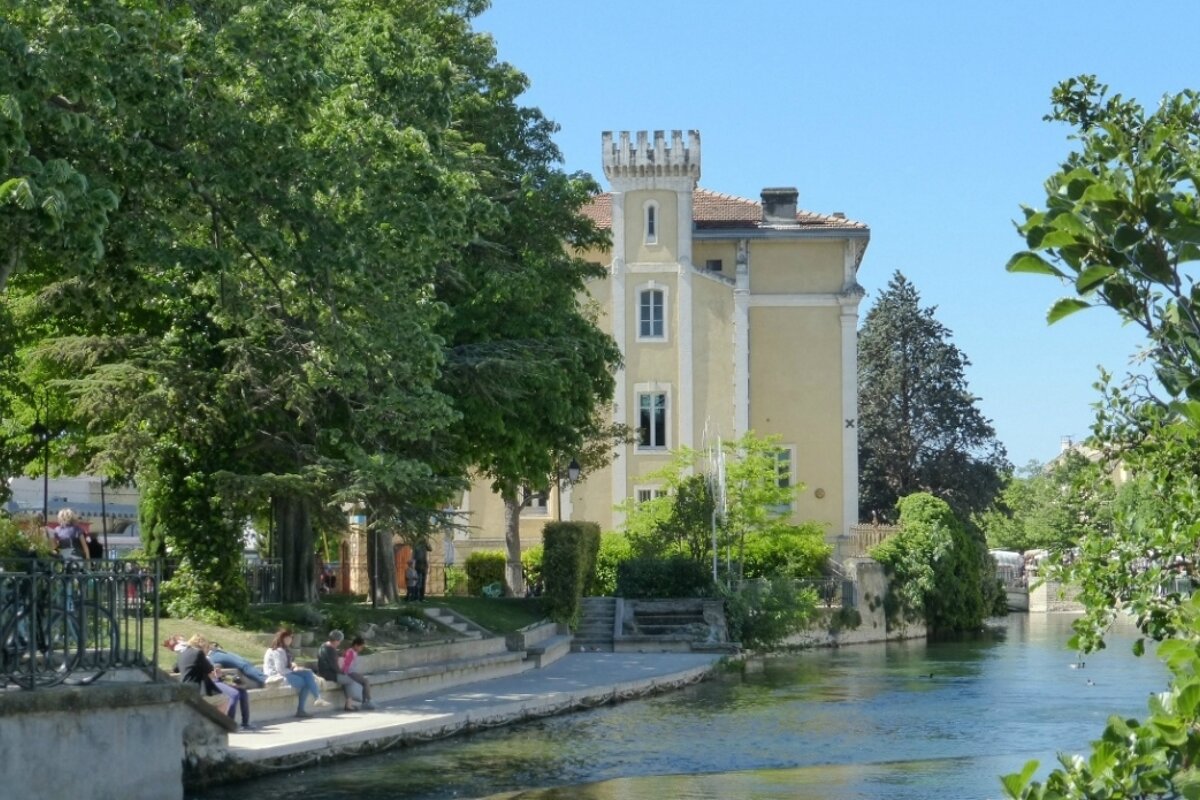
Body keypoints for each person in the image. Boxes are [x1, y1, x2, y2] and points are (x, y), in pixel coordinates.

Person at [178, 634, 253, 730]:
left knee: (242, 691)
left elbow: (175, 668)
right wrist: (215, 672)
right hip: (200, 688)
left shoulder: (183, 653)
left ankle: (244, 723)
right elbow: (211, 674)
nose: (208, 649)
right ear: (202, 646)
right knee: (226, 699)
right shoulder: (199, 654)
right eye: (207, 647)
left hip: (188, 688)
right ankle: (221, 727)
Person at [263, 628, 330, 718]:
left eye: (291, 638)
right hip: (276, 676)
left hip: (285, 673)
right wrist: (294, 669)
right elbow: (280, 669)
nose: (290, 640)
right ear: (282, 638)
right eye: (288, 638)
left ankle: (317, 699)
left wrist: (294, 666)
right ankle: (306, 706)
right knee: (307, 683)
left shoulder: (284, 650)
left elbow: (286, 665)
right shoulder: (277, 650)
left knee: (308, 673)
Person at [316, 629, 362, 711]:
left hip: (322, 672)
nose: (339, 643)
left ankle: (349, 704)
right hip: (329, 674)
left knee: (347, 679)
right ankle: (349, 705)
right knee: (350, 679)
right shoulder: (331, 650)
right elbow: (334, 666)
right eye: (339, 641)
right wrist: (342, 673)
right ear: (335, 640)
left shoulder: (324, 645)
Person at [341, 636, 374, 710]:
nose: (361, 649)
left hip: (351, 672)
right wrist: (345, 674)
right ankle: (367, 701)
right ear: (356, 645)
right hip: (350, 673)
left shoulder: (353, 652)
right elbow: (346, 664)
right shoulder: (351, 652)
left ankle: (364, 701)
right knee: (365, 681)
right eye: (361, 647)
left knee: (364, 681)